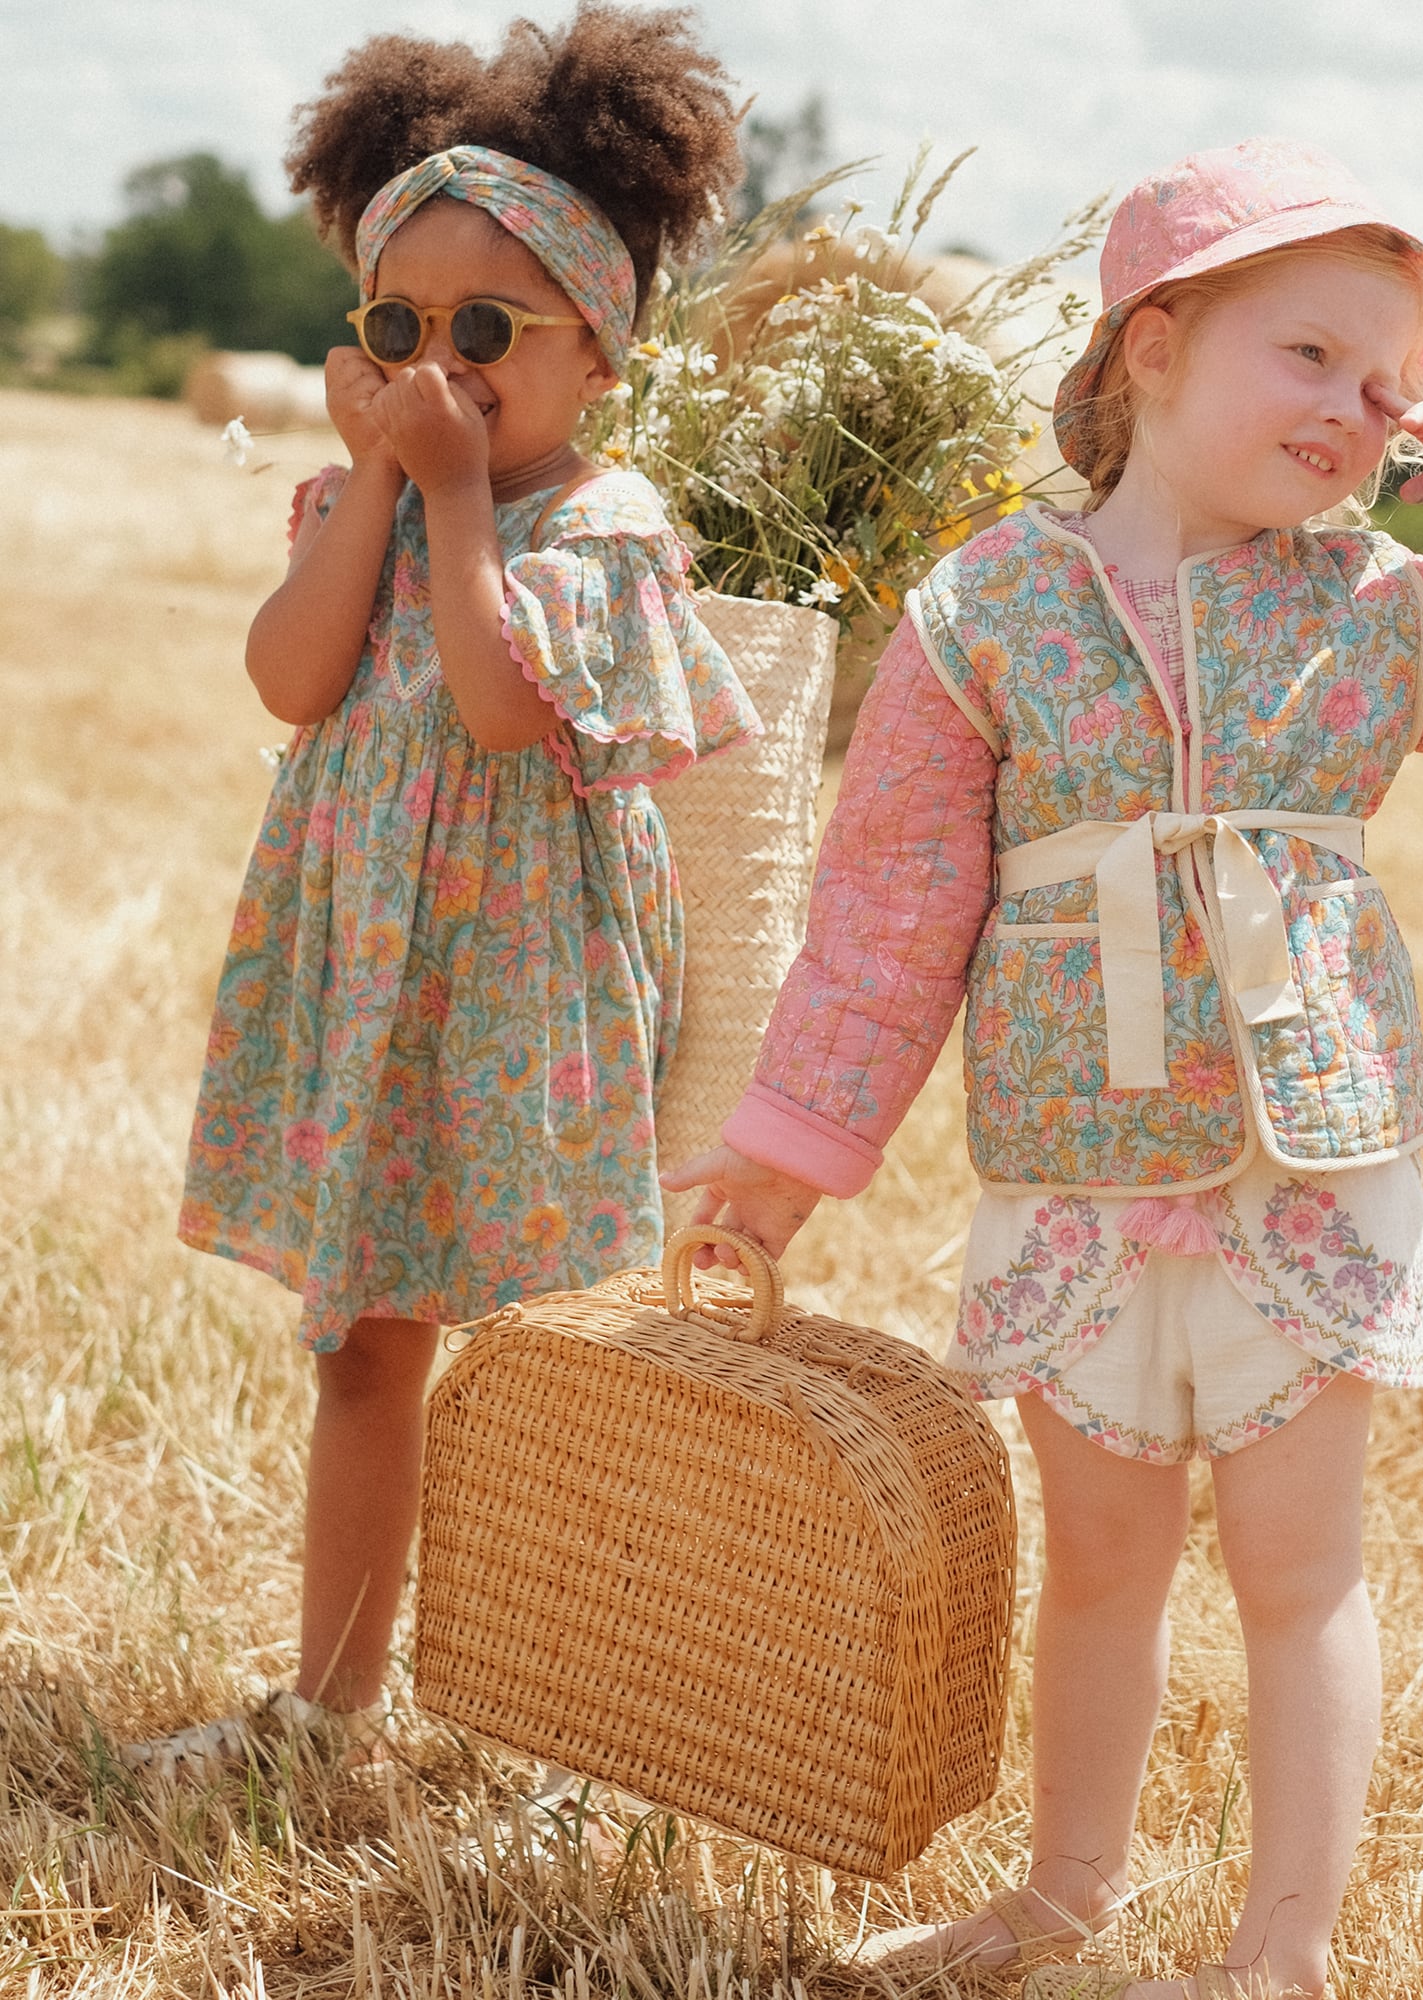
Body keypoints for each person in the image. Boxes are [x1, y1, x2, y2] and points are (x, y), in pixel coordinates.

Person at [670, 138, 1423, 2000]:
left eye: (1393, 391)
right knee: (1102, 1565)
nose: (1363, 417)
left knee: (1300, 1578)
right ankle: (1061, 1892)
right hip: (1075, 1164)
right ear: (1153, 344)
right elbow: (888, 911)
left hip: (1309, 1161)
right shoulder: (982, 611)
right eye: (1313, 359)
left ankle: (1281, 1958)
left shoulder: (1379, 605)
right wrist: (792, 1147)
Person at [132, 6, 757, 1773]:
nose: (437, 363)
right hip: (376, 970)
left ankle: (560, 1738)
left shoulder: (605, 525)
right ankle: (324, 1704)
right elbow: (293, 679)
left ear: (599, 351)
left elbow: (500, 706)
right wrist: (383, 496)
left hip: (529, 987)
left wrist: (464, 502)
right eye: (395, 326)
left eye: (486, 329)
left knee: (552, 1360)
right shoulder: (363, 498)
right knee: (363, 1344)